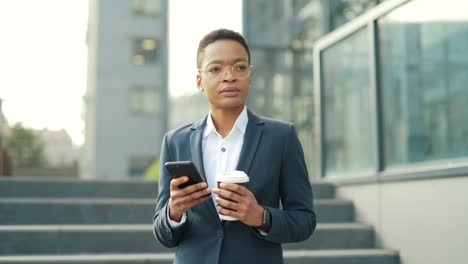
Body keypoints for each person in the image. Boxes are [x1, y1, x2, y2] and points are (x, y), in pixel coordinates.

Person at [153, 29, 316, 264]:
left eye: (240, 67)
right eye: (215, 69)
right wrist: (174, 212)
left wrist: (261, 217)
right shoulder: (175, 141)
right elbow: (163, 233)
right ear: (200, 81)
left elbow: (304, 221)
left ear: (250, 76)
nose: (229, 76)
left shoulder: (282, 137)